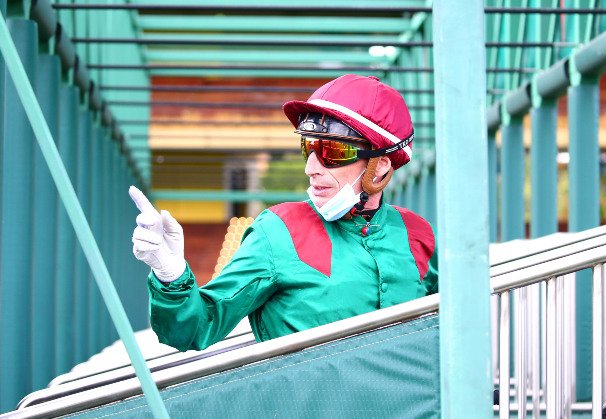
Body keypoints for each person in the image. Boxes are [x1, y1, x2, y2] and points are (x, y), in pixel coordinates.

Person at [130, 74, 438, 351]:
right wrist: (171, 276)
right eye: (308, 148)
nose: (311, 168)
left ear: (381, 164)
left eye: (332, 152)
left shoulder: (418, 233)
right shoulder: (279, 230)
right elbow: (197, 328)